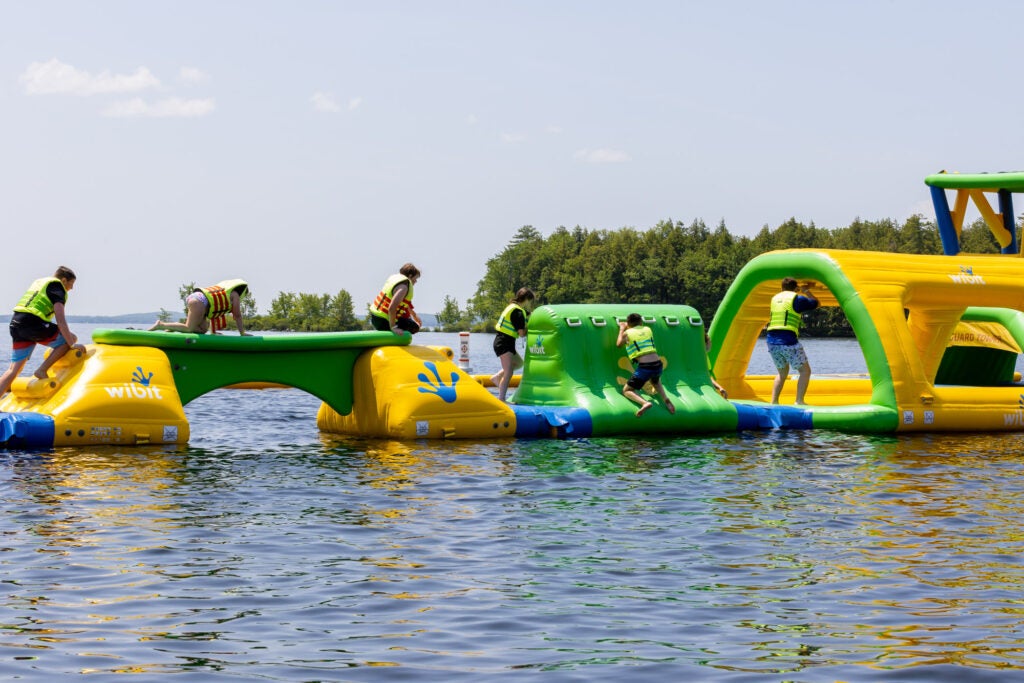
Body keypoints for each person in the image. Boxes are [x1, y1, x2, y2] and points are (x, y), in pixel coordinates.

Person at [0, 266, 86, 398]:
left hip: (16, 324)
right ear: (64, 280)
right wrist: (72, 345)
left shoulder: (41, 283)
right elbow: (60, 319)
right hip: (32, 324)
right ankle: (42, 370)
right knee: (70, 339)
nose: (71, 288)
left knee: (13, 370)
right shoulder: (58, 288)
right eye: (71, 284)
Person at [766, 277, 819, 405]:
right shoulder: (796, 298)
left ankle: (774, 401)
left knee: (782, 373)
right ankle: (799, 401)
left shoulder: (774, 298)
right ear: (796, 289)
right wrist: (806, 290)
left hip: (771, 342)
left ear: (782, 288)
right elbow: (816, 303)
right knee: (805, 371)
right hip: (788, 341)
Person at [616, 312, 676, 417]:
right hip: (658, 365)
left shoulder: (627, 332)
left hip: (645, 367)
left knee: (627, 390)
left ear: (628, 324)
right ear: (641, 322)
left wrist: (622, 328)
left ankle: (645, 403)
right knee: (655, 381)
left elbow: (619, 344)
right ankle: (666, 400)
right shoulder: (648, 329)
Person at [149, 279, 251, 335]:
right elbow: (237, 315)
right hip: (199, 301)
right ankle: (161, 325)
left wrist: (213, 332)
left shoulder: (226, 294)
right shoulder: (235, 295)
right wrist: (242, 333)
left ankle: (174, 328)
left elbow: (214, 312)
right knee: (189, 328)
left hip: (198, 299)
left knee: (202, 330)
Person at [489, 287, 536, 402]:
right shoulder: (518, 312)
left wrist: (533, 314)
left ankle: (497, 377)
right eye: (530, 300)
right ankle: (501, 399)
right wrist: (531, 329)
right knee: (509, 372)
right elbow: (521, 333)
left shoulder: (513, 307)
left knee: (519, 363)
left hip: (506, 342)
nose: (529, 303)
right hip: (503, 342)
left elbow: (527, 314)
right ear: (526, 299)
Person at [370, 263, 422, 336]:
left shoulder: (395, 279)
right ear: (410, 276)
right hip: (384, 321)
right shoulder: (404, 287)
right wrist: (393, 327)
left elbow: (406, 305)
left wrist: (414, 316)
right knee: (414, 327)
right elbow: (392, 307)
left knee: (407, 321)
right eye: (415, 279)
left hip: (375, 318)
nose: (416, 281)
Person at [706, 332, 728, 398]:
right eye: (709, 342)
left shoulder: (705, 356)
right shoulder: (701, 358)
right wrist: (720, 387)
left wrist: (719, 387)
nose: (710, 344)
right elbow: (706, 377)